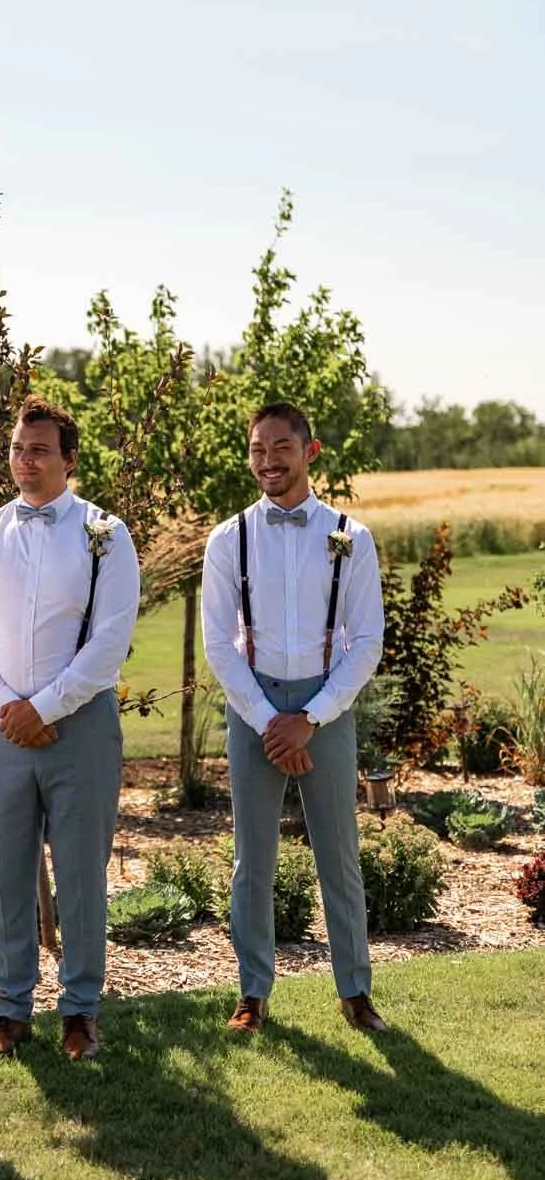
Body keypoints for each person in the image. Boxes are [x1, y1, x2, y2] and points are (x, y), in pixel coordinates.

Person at [0, 396, 140, 1061]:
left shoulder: (105, 534)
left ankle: (81, 1010)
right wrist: (6, 705)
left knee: (82, 874)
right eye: (17, 450)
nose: (25, 463)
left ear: (68, 460)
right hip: (2, 729)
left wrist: (46, 708)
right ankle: (10, 1011)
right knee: (7, 874)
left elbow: (110, 641)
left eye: (39, 451)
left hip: (79, 728)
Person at [201, 401, 386, 1035]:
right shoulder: (229, 539)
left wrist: (310, 716)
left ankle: (355, 993)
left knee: (339, 855)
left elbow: (367, 641)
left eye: (281, 446)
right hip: (253, 705)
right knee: (252, 860)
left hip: (325, 706)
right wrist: (266, 720)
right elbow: (218, 643)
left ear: (310, 452)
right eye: (257, 448)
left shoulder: (350, 537)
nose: (268, 460)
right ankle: (252, 994)